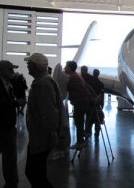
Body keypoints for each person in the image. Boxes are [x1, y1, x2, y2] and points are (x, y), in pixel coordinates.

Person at [24, 53, 62, 188]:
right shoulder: (42, 81)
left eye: (29, 64)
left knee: (33, 173)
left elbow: (49, 112)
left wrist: (52, 134)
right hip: (40, 136)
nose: (27, 66)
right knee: (37, 173)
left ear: (36, 66)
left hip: (42, 137)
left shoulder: (43, 83)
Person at [64, 61, 95, 148]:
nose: (64, 68)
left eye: (66, 66)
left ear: (69, 68)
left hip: (80, 103)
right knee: (79, 123)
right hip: (83, 102)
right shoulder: (76, 76)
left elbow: (67, 88)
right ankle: (80, 141)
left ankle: (80, 142)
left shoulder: (73, 77)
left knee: (79, 122)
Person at [0, 60, 19, 188]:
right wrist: (15, 103)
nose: (13, 71)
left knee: (10, 158)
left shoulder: (9, 84)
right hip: (1, 127)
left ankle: (12, 182)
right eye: (10, 69)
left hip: (9, 127)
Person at [88, 69, 105, 138]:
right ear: (98, 74)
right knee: (97, 117)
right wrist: (102, 103)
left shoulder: (89, 83)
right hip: (97, 103)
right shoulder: (101, 84)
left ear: (93, 73)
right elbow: (102, 94)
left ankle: (88, 131)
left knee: (89, 117)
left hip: (90, 102)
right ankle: (97, 131)